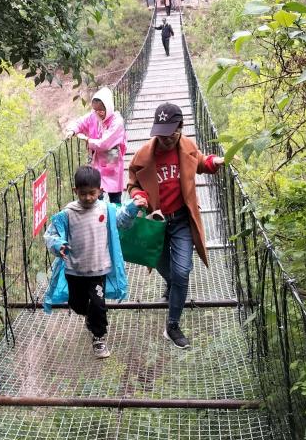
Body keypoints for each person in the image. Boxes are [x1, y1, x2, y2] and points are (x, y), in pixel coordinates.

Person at [127, 103, 224, 349]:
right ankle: (171, 284)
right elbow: (133, 183)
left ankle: (172, 325)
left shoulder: (187, 147)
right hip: (156, 222)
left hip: (181, 219)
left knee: (182, 272)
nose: (166, 138)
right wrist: (138, 195)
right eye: (161, 133)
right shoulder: (142, 156)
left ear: (180, 128)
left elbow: (201, 162)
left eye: (170, 132)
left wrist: (215, 162)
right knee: (161, 265)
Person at [44, 165, 140, 359]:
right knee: (77, 304)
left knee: (98, 303)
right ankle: (89, 316)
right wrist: (58, 245)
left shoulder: (106, 209)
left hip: (98, 269)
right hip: (74, 270)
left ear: (101, 191)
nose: (87, 198)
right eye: (83, 194)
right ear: (75, 191)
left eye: (92, 193)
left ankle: (99, 336)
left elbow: (122, 220)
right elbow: (51, 234)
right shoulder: (67, 214)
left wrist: (133, 206)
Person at [70, 87, 126, 203]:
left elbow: (105, 143)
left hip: (111, 153)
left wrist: (87, 140)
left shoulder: (117, 122)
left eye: (101, 110)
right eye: (95, 110)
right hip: (97, 157)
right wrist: (73, 130)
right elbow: (80, 122)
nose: (98, 113)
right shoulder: (93, 115)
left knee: (113, 188)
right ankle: (98, 215)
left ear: (108, 107)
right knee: (96, 187)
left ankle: (116, 215)